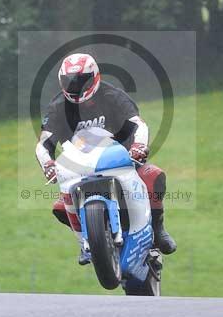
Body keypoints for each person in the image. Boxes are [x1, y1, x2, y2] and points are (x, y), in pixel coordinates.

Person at [35, 52, 177, 264]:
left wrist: (138, 146)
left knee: (155, 177)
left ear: (94, 77)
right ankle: (85, 242)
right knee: (59, 207)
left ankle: (158, 229)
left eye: (81, 81)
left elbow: (138, 124)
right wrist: (47, 163)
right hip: (81, 167)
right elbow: (44, 143)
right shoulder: (57, 107)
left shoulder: (113, 96)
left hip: (121, 160)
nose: (76, 87)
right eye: (70, 82)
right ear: (61, 81)